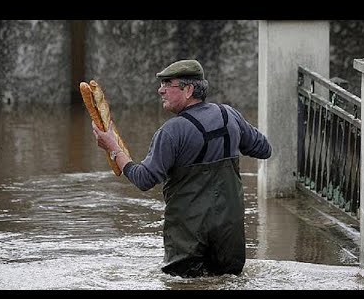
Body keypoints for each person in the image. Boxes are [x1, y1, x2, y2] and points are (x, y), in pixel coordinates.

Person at [92, 59, 272, 278]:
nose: (161, 90)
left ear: (188, 90)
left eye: (168, 84)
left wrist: (113, 149)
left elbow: (144, 179)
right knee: (228, 281)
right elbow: (264, 149)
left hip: (188, 240)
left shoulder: (171, 132)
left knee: (182, 283)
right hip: (230, 236)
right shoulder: (230, 115)